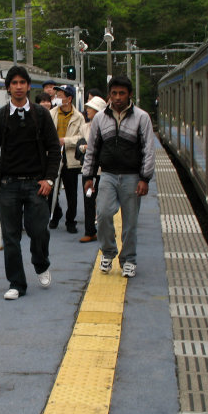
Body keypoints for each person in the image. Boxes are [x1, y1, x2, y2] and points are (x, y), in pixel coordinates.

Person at [0, 66, 61, 300]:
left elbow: (54, 150)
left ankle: (40, 261)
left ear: (28, 86)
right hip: (7, 184)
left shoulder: (41, 115)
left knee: (39, 231)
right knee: (11, 236)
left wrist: (49, 179)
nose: (18, 86)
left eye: (22, 82)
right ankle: (17, 283)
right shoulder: (0, 118)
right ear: (8, 88)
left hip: (36, 183)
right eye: (14, 82)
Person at [82, 76, 154, 278]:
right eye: (114, 93)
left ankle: (129, 259)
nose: (118, 97)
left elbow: (149, 150)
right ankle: (108, 251)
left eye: (122, 93)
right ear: (109, 95)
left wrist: (144, 178)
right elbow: (93, 149)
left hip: (132, 177)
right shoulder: (100, 119)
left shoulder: (142, 118)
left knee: (130, 221)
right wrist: (88, 175)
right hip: (107, 175)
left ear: (130, 94)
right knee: (103, 214)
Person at [49, 84, 85, 233]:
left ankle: (71, 220)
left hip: (70, 158)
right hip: (53, 157)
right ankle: (56, 213)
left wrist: (66, 140)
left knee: (71, 192)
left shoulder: (78, 117)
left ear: (69, 98)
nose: (57, 97)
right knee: (50, 190)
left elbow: (82, 137)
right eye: (56, 95)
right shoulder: (51, 113)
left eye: (60, 95)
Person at [77, 96, 107, 243]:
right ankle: (90, 231)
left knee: (106, 203)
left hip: (105, 170)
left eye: (90, 108)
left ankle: (107, 231)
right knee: (88, 200)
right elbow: (80, 144)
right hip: (88, 170)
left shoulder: (108, 126)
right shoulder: (84, 127)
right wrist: (83, 147)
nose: (87, 110)